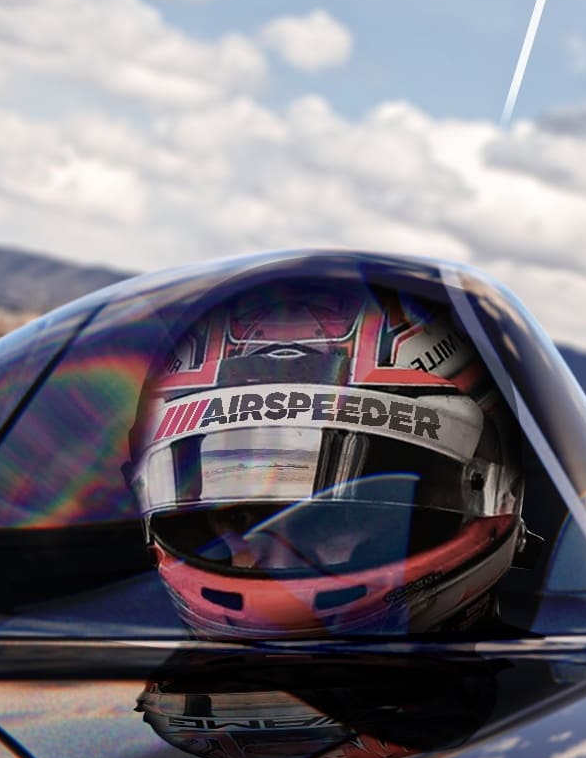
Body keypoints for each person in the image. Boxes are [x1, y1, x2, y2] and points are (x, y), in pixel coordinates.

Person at [127, 273, 524, 638]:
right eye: (239, 516)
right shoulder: (116, 659)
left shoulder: (550, 689)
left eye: (336, 515)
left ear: (484, 490)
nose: (277, 563)